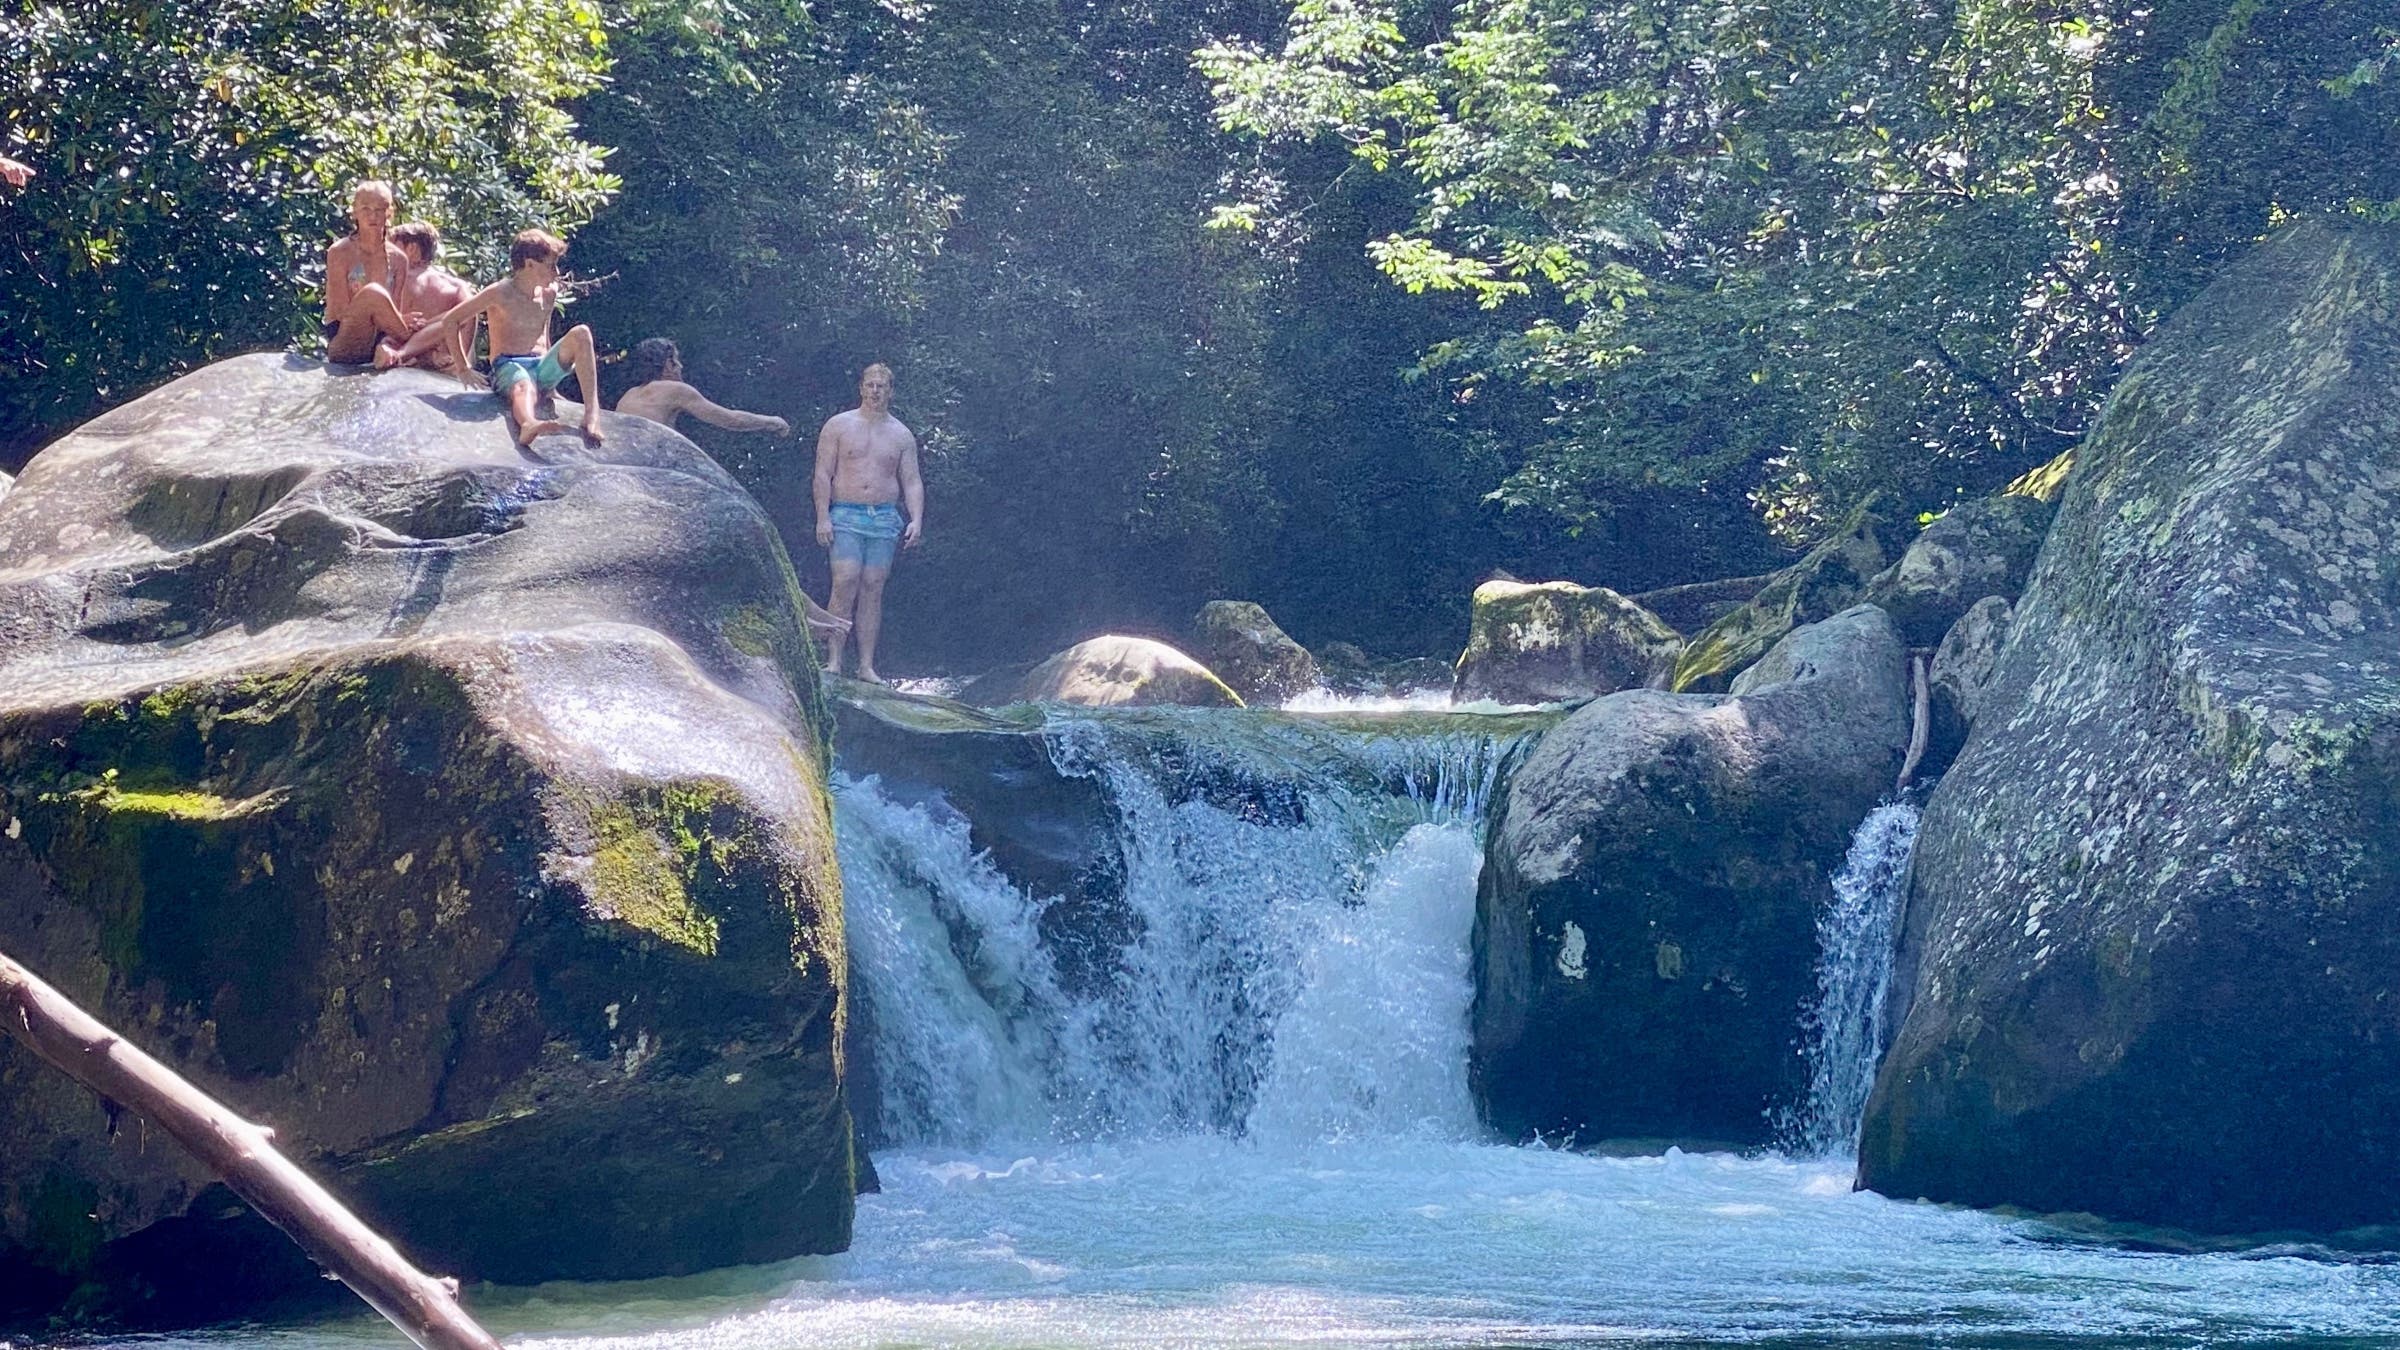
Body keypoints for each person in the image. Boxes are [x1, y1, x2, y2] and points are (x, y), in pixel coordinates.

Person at [393, 228, 604, 447]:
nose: (557, 272)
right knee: (524, 383)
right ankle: (528, 424)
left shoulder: (549, 293)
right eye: (551, 265)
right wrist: (463, 367)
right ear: (530, 264)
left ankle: (592, 414)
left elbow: (544, 335)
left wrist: (552, 388)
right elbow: (451, 321)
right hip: (509, 366)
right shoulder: (499, 292)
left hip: (541, 366)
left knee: (582, 333)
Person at [812, 363, 923, 683]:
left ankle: (866, 666)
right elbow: (822, 473)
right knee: (845, 580)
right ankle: (834, 660)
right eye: (870, 385)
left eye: (882, 386)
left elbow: (912, 481)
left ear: (891, 391)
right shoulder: (838, 425)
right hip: (845, 513)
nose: (875, 391)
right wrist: (822, 516)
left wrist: (916, 518)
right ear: (861, 388)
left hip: (884, 518)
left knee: (873, 586)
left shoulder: (901, 435)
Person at [321, 180, 414, 366]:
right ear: (354, 211)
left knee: (439, 320)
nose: (373, 216)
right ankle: (412, 344)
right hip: (345, 341)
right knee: (373, 293)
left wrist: (391, 321)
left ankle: (409, 348)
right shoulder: (340, 252)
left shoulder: (398, 259)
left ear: (389, 213)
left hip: (379, 341)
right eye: (365, 209)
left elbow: (394, 315)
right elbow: (340, 312)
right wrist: (377, 312)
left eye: (379, 209)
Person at [615, 338, 790, 436]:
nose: (681, 367)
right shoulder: (675, 390)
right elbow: (731, 420)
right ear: (669, 364)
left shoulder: (628, 396)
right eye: (677, 360)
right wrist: (772, 422)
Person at [383, 221, 475, 370]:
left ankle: (422, 355)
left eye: (391, 247)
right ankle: (450, 362)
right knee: (467, 312)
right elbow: (471, 316)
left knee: (463, 313)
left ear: (411, 249)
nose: (386, 253)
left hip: (401, 349)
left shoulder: (397, 278)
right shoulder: (458, 286)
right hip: (444, 356)